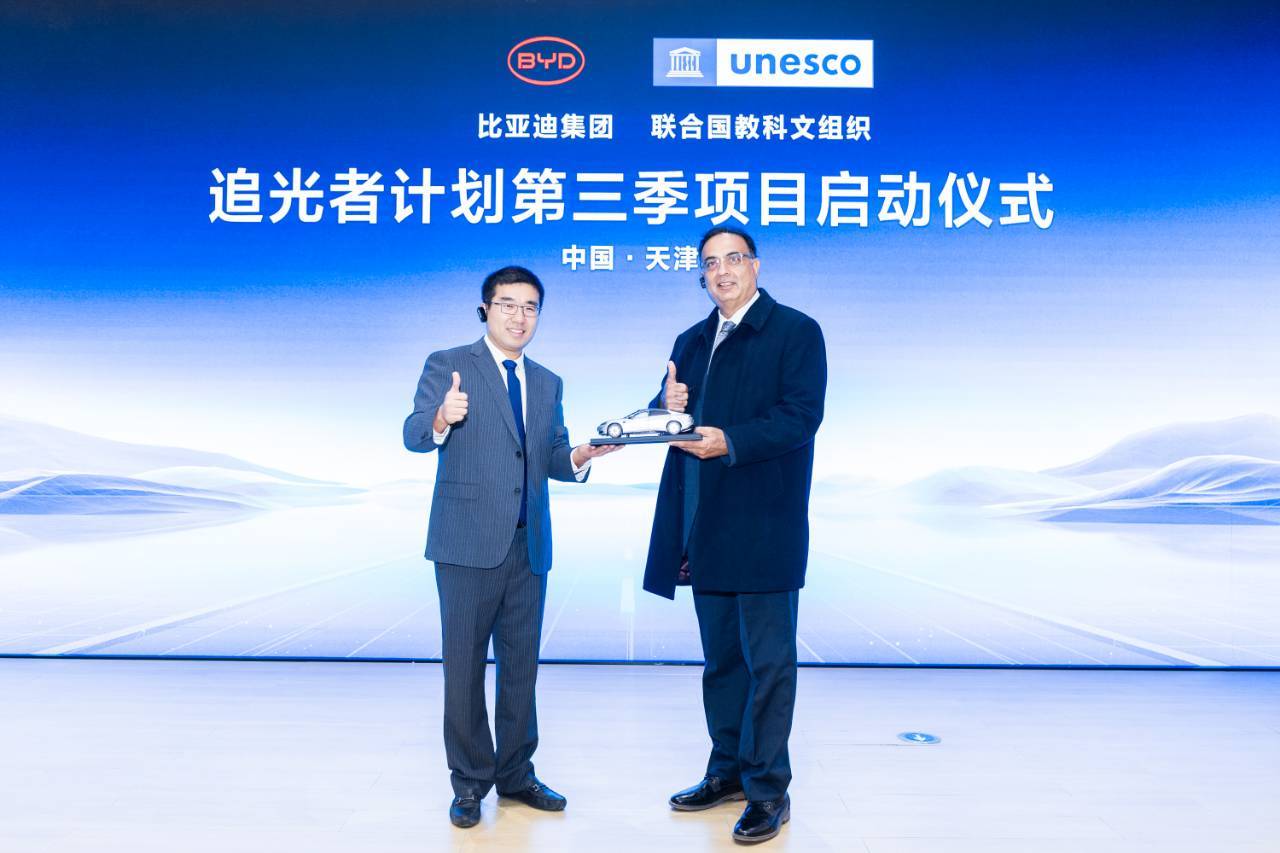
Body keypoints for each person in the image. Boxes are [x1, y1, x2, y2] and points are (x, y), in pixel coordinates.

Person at [403, 266, 619, 829]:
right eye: (507, 305)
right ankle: (469, 781)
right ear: (485, 309)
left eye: (530, 307)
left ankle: (517, 775)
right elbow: (413, 434)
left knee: (521, 668)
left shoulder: (547, 382)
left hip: (529, 546)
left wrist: (581, 456)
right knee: (464, 668)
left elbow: (550, 455)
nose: (519, 317)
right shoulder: (449, 364)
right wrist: (441, 418)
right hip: (466, 545)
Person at [643, 227, 826, 843]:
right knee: (722, 662)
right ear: (701, 274)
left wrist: (731, 441)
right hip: (705, 524)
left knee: (768, 665)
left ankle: (768, 790)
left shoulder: (796, 332)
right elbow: (668, 419)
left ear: (755, 266)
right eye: (710, 263)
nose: (722, 271)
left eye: (733, 259)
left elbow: (801, 417)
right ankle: (726, 772)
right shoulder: (691, 340)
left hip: (765, 527)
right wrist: (665, 402)